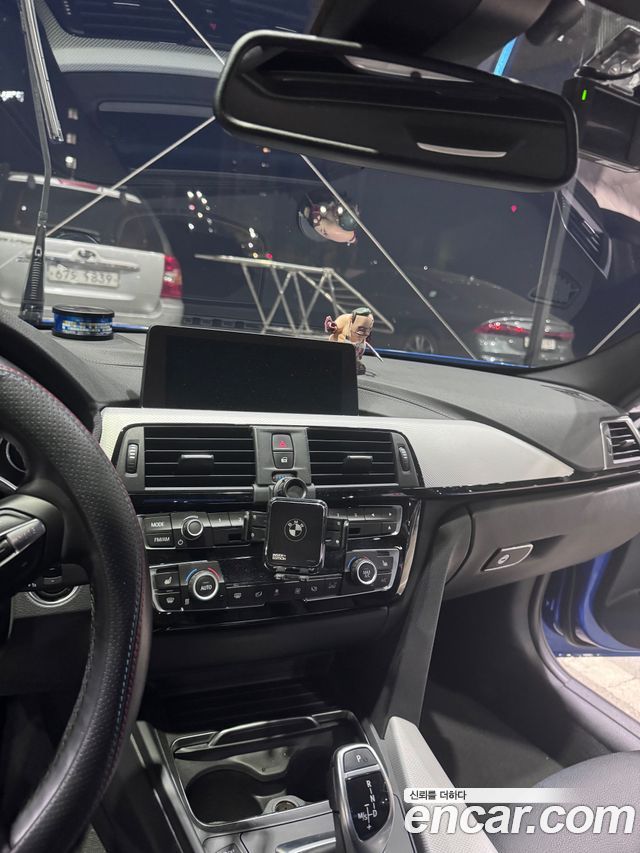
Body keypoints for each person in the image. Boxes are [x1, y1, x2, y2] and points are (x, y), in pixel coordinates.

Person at [324, 306, 374, 374]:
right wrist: (331, 326)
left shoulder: (362, 343)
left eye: (369, 330)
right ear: (351, 322)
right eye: (361, 329)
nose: (366, 334)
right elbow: (333, 327)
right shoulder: (344, 321)